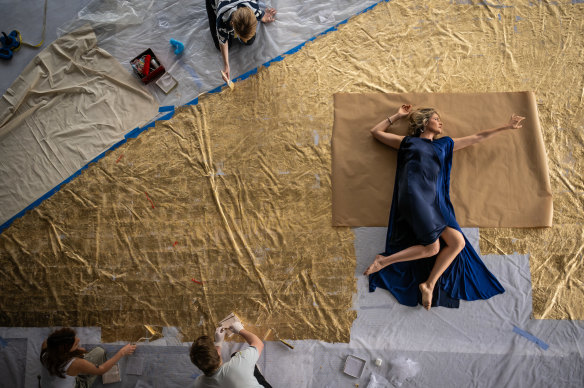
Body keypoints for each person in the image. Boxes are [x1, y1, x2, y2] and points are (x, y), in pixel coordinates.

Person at [364, 104, 525, 310]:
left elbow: (477, 137)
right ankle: (384, 262)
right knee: (432, 248)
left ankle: (428, 284)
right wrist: (398, 115)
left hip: (436, 203)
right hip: (414, 198)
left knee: (457, 243)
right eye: (436, 118)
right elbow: (375, 132)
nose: (441, 122)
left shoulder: (444, 145)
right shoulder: (408, 143)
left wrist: (506, 127)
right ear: (424, 122)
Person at [205, 0, 276, 83]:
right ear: (233, 24)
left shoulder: (253, 8)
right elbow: (222, 42)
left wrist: (263, 17)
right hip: (216, 3)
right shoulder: (222, 20)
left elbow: (258, 15)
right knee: (219, 45)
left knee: (249, 41)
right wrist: (226, 65)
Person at [40, 327, 136, 388]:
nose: (78, 339)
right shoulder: (75, 363)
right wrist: (122, 352)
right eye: (75, 344)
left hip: (49, 384)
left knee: (96, 353)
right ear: (65, 352)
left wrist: (75, 350)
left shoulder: (46, 346)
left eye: (74, 338)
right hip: (75, 384)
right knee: (100, 352)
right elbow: (101, 370)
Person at [190, 321, 272, 388]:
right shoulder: (239, 364)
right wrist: (240, 330)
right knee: (237, 355)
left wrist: (218, 343)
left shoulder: (198, 384)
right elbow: (258, 344)